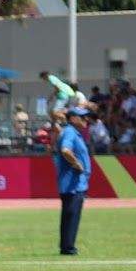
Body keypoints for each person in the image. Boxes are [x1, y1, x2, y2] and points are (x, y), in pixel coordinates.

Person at [56, 105, 91, 256]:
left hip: (75, 183)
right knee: (72, 215)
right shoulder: (70, 132)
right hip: (72, 184)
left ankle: (67, 246)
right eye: (82, 117)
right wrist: (76, 163)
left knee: (70, 216)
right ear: (72, 118)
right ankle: (68, 247)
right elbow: (65, 150)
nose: (86, 119)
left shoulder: (73, 133)